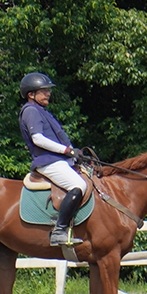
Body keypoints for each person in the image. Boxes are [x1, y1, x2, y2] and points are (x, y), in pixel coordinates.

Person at [16, 72, 89, 246]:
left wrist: (74, 154)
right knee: (79, 185)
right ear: (31, 94)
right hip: (47, 161)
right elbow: (38, 139)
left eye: (48, 90)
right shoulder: (31, 110)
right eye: (43, 91)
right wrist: (67, 150)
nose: (48, 93)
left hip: (58, 159)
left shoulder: (41, 111)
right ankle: (59, 231)